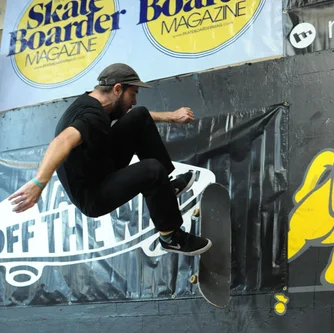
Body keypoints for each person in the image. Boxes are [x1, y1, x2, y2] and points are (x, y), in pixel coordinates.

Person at [9, 63, 212, 256]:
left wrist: (172, 116)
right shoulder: (91, 116)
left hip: (99, 167)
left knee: (139, 116)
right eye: (133, 94)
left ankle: (165, 189)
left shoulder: (96, 102)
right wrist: (39, 182)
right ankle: (171, 238)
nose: (134, 100)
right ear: (117, 89)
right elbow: (62, 141)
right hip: (93, 195)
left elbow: (134, 113)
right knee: (152, 169)